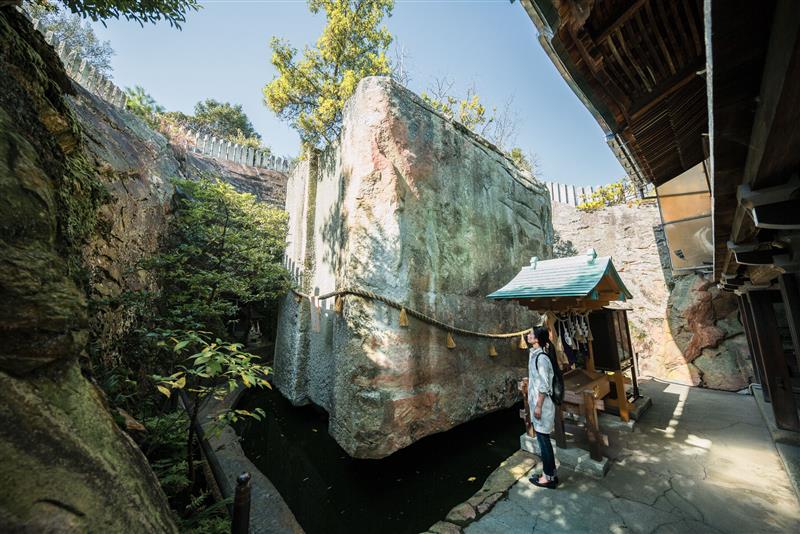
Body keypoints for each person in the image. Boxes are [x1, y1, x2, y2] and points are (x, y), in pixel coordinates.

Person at [527, 326, 558, 489]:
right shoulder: (535, 355)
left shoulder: (542, 359)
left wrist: (538, 406)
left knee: (544, 442)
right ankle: (549, 474)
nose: (528, 335)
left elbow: (544, 385)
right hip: (538, 404)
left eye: (531, 334)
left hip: (543, 406)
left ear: (537, 339)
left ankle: (549, 478)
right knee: (543, 441)